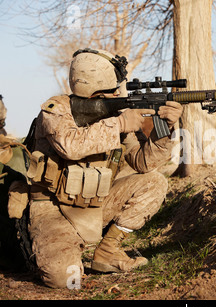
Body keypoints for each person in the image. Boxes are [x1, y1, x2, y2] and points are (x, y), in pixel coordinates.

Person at [26, 48, 182, 288]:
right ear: (97, 87)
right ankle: (54, 249)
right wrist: (118, 124)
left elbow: (143, 162)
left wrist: (167, 128)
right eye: (113, 90)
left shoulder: (115, 115)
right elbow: (70, 146)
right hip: (53, 211)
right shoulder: (56, 109)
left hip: (96, 205)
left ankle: (108, 252)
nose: (118, 94)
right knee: (66, 280)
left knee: (154, 181)